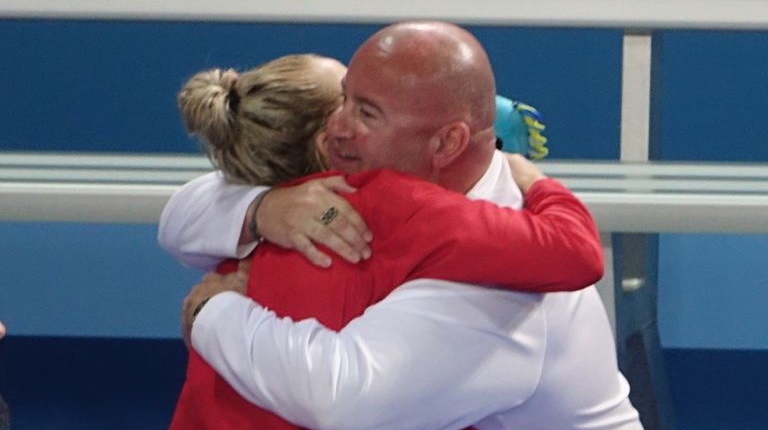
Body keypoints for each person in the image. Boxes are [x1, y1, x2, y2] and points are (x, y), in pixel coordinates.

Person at [165, 22, 642, 429]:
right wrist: (265, 207)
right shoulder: (341, 194)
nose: (337, 127)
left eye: (365, 112)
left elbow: (340, 398)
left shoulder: (500, 276)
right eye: (343, 100)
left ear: (446, 142)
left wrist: (215, 312)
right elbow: (182, 215)